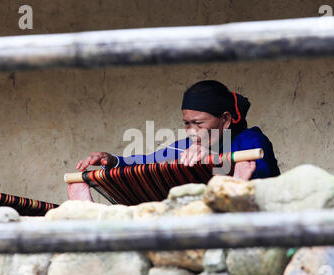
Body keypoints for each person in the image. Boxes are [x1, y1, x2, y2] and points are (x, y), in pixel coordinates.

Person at [68, 80, 280, 201]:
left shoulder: (251, 140)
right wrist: (111, 160)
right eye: (187, 123)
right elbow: (144, 162)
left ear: (225, 120)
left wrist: (214, 160)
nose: (191, 131)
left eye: (199, 123)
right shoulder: (186, 148)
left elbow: (259, 178)